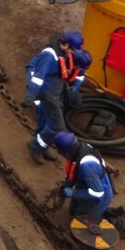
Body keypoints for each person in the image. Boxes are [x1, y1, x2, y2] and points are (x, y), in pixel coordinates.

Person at [25, 30, 86, 162]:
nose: (74, 53)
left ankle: (41, 147)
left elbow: (72, 73)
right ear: (64, 45)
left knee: (45, 122)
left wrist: (72, 89)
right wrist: (31, 96)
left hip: (54, 92)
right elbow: (37, 78)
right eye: (72, 50)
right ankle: (35, 146)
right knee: (57, 127)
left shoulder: (66, 53)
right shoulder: (50, 56)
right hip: (44, 93)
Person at [53, 131, 114, 224]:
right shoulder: (78, 149)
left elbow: (97, 194)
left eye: (61, 152)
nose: (60, 154)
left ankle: (114, 219)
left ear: (67, 151)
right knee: (72, 211)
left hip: (99, 194)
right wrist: (66, 185)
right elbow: (74, 171)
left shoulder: (87, 166)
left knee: (81, 222)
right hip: (87, 184)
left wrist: (73, 193)